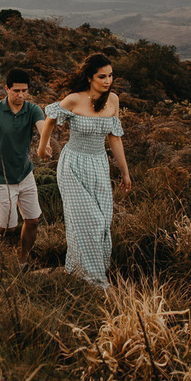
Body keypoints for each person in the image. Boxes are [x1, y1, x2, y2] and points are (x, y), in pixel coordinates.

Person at [37, 53, 131, 288]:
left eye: (110, 76)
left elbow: (115, 138)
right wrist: (43, 145)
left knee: (102, 222)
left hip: (99, 165)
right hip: (73, 166)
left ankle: (78, 268)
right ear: (90, 77)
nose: (107, 81)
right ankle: (95, 281)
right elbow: (50, 118)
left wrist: (125, 172)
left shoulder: (114, 101)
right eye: (102, 76)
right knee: (89, 222)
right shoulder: (74, 100)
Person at [0, 68, 49, 268]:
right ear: (6, 89)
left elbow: (42, 127)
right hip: (0, 177)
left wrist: (44, 144)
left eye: (24, 90)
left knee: (32, 221)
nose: (20, 95)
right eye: (16, 91)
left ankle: (23, 261)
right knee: (7, 227)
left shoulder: (32, 110)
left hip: (25, 174)